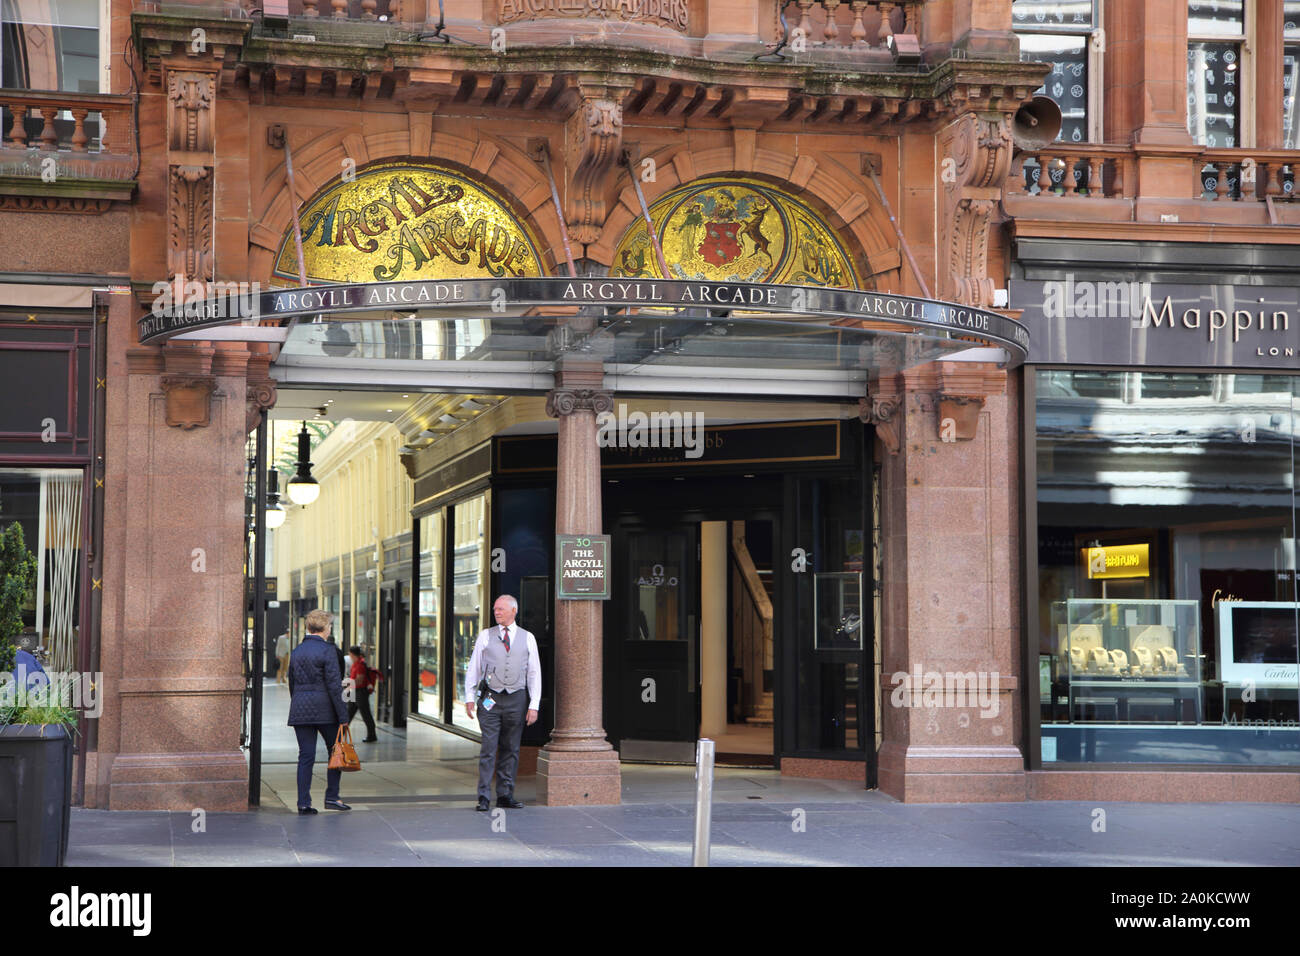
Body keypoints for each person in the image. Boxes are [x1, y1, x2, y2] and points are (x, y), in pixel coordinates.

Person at [464, 594, 540, 811]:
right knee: (489, 747)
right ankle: (484, 796)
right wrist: (470, 698)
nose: (496, 612)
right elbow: (474, 668)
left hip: (517, 698)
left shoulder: (527, 638)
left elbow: (534, 673)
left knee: (511, 748)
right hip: (491, 699)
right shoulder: (486, 636)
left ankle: (506, 794)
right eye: (495, 609)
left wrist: (533, 704)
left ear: (513, 611)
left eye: (501, 609)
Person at [287, 609, 350, 814]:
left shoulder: (296, 651)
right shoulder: (328, 651)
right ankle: (332, 797)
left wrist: (298, 703)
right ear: (325, 629)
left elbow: (292, 683)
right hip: (325, 711)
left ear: (308, 628)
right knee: (336, 752)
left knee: (305, 756)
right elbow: (334, 685)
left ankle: (303, 802)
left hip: (301, 710)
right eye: (330, 626)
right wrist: (343, 715)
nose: (330, 630)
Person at [347, 645, 379, 743]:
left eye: (350, 654)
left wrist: (348, 684)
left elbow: (360, 680)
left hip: (360, 693)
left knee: (366, 714)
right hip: (355, 692)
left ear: (352, 654)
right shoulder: (356, 663)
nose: (349, 656)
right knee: (348, 713)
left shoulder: (360, 665)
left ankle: (372, 735)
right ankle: (339, 734)